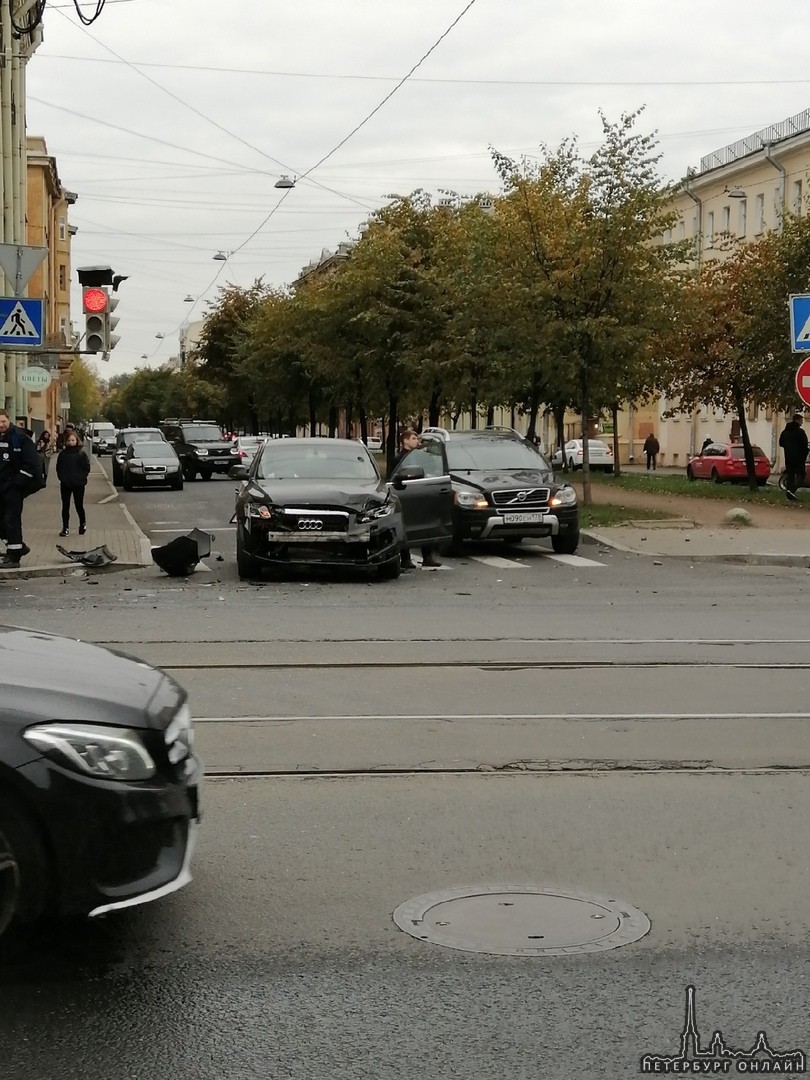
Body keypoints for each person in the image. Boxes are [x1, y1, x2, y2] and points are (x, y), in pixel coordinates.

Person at [393, 427, 442, 569]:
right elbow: (395, 476)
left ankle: (428, 557)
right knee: (406, 526)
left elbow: (430, 470)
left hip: (421, 493)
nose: (417, 441)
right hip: (405, 494)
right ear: (405, 441)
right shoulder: (399, 458)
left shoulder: (421, 456)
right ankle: (405, 559)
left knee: (425, 524)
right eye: (413, 438)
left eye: (417, 438)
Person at [0, 409, 38, 566]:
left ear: (9, 420)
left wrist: (17, 484)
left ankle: (14, 557)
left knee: (11, 520)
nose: (0, 425)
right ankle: (19, 547)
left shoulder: (20, 437)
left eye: (3, 421)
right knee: (2, 520)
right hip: (1, 487)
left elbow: (31, 464)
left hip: (13, 488)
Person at [56, 429, 91, 536]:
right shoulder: (63, 454)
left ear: (77, 441)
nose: (71, 442)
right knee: (65, 506)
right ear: (66, 442)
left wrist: (81, 478)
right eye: (69, 440)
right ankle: (65, 528)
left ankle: (82, 523)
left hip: (79, 485)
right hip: (65, 484)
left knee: (78, 505)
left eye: (73, 440)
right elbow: (59, 468)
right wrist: (63, 478)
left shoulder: (81, 454)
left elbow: (86, 468)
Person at [779, 412, 809, 502]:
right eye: (801, 420)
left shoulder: (785, 432)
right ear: (797, 420)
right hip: (799, 458)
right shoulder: (800, 432)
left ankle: (789, 496)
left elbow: (781, 443)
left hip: (788, 457)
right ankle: (791, 491)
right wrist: (805, 453)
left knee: (790, 476)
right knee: (801, 475)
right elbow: (804, 445)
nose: (802, 422)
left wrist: (788, 448)